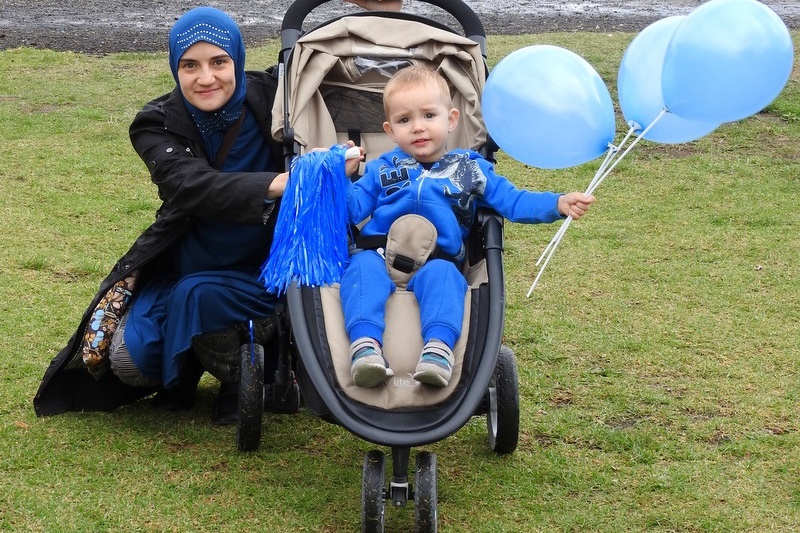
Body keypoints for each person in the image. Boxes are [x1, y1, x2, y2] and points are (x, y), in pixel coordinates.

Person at [33, 6, 360, 423]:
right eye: (190, 65)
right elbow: (192, 186)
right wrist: (284, 182)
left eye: (219, 62)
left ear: (237, 60)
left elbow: (365, 82)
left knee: (202, 298)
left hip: (269, 270)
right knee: (129, 359)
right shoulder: (155, 124)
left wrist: (340, 159)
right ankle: (191, 362)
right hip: (189, 268)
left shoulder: (278, 99)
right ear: (175, 67)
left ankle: (247, 372)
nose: (206, 78)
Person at [341, 65, 596, 388]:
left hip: (438, 260)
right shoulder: (382, 168)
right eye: (405, 121)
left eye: (429, 116)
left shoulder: (469, 169)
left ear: (451, 120)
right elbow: (351, 209)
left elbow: (513, 201)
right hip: (378, 253)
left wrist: (556, 204)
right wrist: (342, 175)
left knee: (447, 282)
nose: (418, 128)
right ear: (391, 131)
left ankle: (438, 350)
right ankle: (365, 348)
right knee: (360, 272)